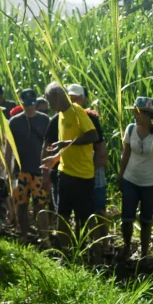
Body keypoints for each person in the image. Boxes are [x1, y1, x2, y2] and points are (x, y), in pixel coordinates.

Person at [41, 82, 98, 250]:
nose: (50, 107)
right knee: (62, 215)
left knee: (86, 217)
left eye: (50, 102)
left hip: (83, 175)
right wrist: (55, 158)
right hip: (65, 173)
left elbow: (93, 136)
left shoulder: (76, 111)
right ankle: (64, 254)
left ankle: (96, 254)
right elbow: (67, 146)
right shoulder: (61, 115)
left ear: (57, 98)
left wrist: (66, 142)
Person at [118, 96, 153, 260]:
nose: (135, 116)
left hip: (151, 184)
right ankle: (127, 247)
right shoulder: (130, 129)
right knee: (127, 218)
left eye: (138, 113)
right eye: (134, 112)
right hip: (130, 180)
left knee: (146, 220)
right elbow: (126, 153)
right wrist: (121, 176)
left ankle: (144, 252)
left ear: (149, 116)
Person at [66, 84, 109, 252]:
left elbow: (100, 147)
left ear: (84, 99)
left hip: (92, 170)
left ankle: (104, 244)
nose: (74, 100)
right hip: (73, 170)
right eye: (71, 97)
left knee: (99, 208)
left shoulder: (90, 117)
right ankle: (85, 243)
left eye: (77, 97)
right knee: (81, 210)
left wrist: (95, 170)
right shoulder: (64, 117)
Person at [5, 89, 51, 244]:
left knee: (41, 205)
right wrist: (8, 171)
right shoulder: (14, 122)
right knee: (22, 205)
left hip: (39, 170)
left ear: (36, 102)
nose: (29, 105)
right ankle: (24, 234)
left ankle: (44, 236)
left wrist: (49, 170)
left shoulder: (45, 120)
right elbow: (8, 148)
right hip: (21, 172)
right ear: (22, 102)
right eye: (26, 101)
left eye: (32, 101)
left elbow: (51, 145)